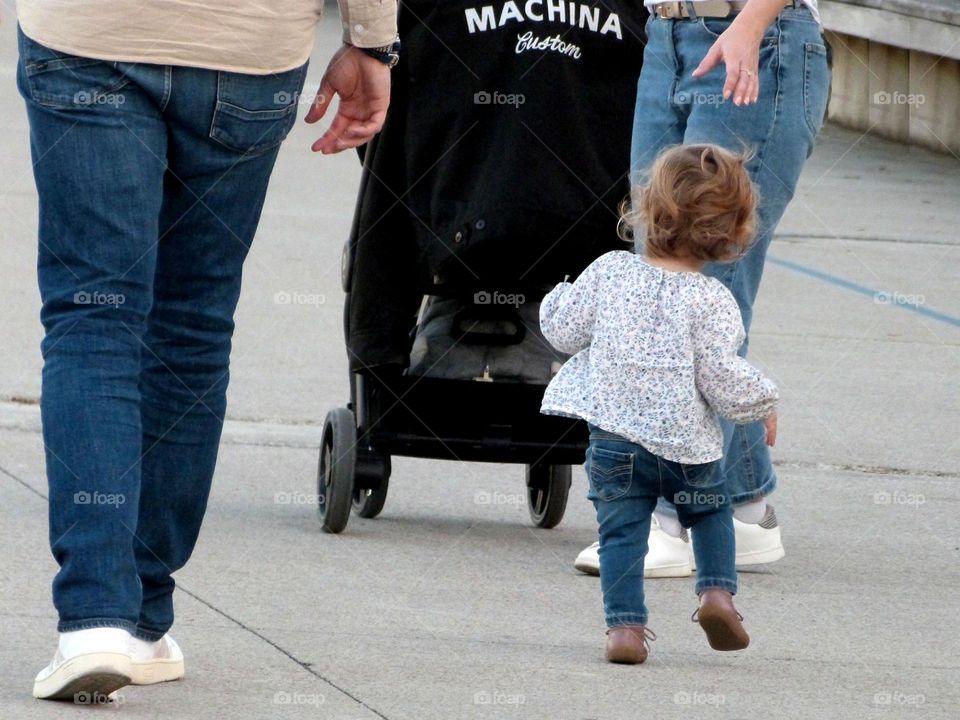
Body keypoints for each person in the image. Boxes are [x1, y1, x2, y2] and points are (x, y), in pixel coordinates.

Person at [17, 0, 398, 702]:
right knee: (191, 326)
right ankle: (141, 616)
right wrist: (373, 41)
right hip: (246, 49)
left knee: (92, 319)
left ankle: (94, 619)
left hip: (88, 34)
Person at [575, 0, 829, 577]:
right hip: (665, 32)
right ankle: (745, 509)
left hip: (756, 34)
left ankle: (671, 520)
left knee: (703, 286)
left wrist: (753, 22)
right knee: (656, 261)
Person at [541, 144, 779, 664]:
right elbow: (721, 375)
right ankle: (717, 593)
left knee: (621, 535)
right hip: (686, 449)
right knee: (711, 514)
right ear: (731, 231)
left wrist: (556, 295)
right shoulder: (713, 300)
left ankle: (625, 631)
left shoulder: (609, 271)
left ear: (647, 208)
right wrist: (762, 404)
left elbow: (563, 332)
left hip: (614, 445)